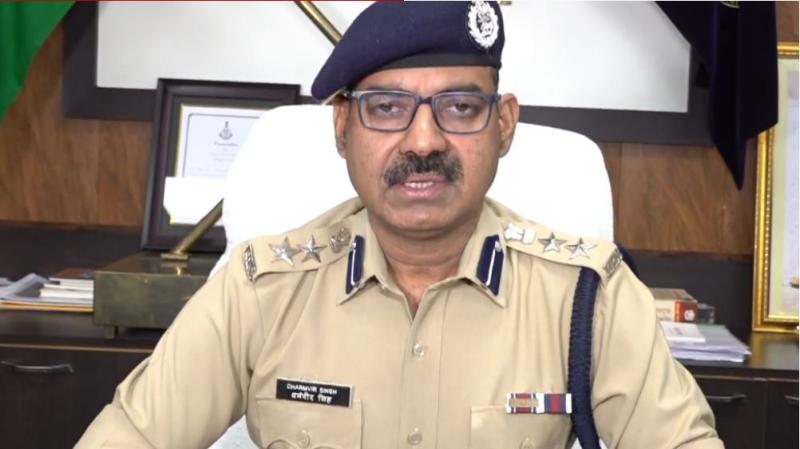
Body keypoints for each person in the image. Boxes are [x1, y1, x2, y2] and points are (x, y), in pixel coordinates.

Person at [76, 2, 723, 448]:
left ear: (503, 126)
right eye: (386, 108)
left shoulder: (585, 294)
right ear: (342, 128)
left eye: (459, 107)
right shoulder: (260, 289)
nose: (423, 141)